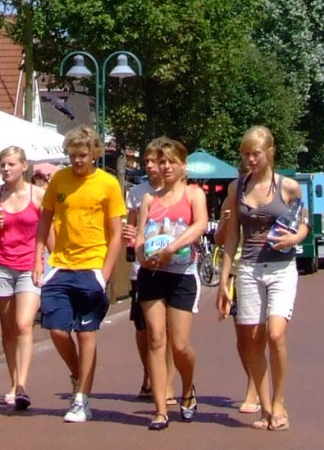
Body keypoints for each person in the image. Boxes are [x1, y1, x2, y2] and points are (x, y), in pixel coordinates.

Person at [215, 126, 306, 433]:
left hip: (281, 268)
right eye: (245, 154)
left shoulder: (289, 187)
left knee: (276, 334)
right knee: (252, 338)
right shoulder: (236, 188)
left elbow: (303, 224)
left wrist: (294, 239)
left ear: (270, 153)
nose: (250, 159)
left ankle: (279, 402)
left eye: (255, 153)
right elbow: (230, 238)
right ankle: (266, 408)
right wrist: (224, 281)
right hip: (249, 269)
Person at [36, 126, 126, 424]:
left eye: (83, 155)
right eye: (73, 155)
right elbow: (45, 219)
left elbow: (116, 234)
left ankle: (81, 399)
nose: (77, 161)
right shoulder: (59, 180)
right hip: (61, 265)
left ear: (95, 154)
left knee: (87, 334)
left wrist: (104, 274)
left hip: (92, 266)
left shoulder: (108, 184)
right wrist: (40, 259)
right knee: (58, 330)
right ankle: (78, 374)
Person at [135, 137, 208, 430]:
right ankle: (159, 410)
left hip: (181, 274)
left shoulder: (193, 194)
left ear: (183, 165)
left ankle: (187, 389)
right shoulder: (149, 199)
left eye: (171, 162)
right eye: (161, 161)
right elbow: (140, 237)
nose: (165, 167)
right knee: (155, 338)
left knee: (179, 345)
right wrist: (143, 255)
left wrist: (171, 248)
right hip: (152, 274)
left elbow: (199, 225)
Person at [0, 146, 43, 411]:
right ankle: (12, 382)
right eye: (2, 165)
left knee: (24, 324)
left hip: (29, 266)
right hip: (1, 265)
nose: (6, 169)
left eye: (10, 164)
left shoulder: (38, 195)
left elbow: (47, 232)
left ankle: (22, 385)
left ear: (24, 166)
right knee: (8, 327)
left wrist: (48, 263)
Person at [125, 164, 157, 403]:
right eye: (148, 161)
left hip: (170, 265)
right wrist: (130, 235)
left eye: (156, 160)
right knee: (142, 327)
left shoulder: (181, 192)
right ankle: (148, 373)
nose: (151, 166)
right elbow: (131, 225)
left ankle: (161, 381)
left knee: (164, 329)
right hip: (142, 267)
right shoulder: (137, 193)